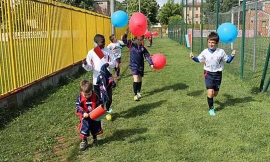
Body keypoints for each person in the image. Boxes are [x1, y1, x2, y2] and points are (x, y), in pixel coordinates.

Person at [190, 32, 236, 116]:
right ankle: (211, 109)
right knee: (210, 93)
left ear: (217, 43)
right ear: (207, 42)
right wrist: (193, 57)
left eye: (213, 43)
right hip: (208, 74)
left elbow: (228, 61)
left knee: (215, 94)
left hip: (218, 74)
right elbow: (198, 60)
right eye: (209, 42)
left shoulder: (221, 52)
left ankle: (212, 97)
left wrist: (232, 55)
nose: (211, 44)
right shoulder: (205, 52)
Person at [82, 34, 115, 117]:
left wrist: (108, 64)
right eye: (101, 41)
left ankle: (107, 109)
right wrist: (85, 64)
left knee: (109, 98)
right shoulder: (91, 53)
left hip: (107, 79)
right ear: (96, 42)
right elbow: (90, 68)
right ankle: (99, 113)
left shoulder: (108, 51)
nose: (104, 43)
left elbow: (114, 63)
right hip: (97, 80)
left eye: (104, 41)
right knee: (98, 99)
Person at [122, 28, 154, 101]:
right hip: (133, 66)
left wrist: (151, 63)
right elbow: (124, 40)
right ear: (136, 39)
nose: (139, 41)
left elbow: (147, 56)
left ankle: (138, 91)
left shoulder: (143, 48)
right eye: (138, 39)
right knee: (136, 78)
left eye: (140, 40)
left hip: (141, 66)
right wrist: (126, 33)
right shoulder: (131, 45)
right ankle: (135, 94)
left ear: (142, 40)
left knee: (139, 79)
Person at [75, 79, 103, 151]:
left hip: (94, 115)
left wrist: (100, 109)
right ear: (81, 92)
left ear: (92, 90)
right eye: (85, 94)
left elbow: (99, 103)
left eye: (89, 94)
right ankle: (84, 141)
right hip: (85, 116)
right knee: (85, 127)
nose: (87, 96)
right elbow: (78, 107)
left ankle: (95, 138)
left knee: (95, 126)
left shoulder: (95, 95)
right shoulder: (80, 97)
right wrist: (83, 113)